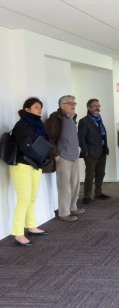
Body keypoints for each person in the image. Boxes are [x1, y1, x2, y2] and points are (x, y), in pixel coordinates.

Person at [10, 97, 52, 246]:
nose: (39, 109)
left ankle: (31, 226)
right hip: (22, 165)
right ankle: (18, 234)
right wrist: (41, 158)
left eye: (40, 107)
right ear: (27, 109)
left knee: (32, 198)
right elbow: (26, 146)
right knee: (24, 200)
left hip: (35, 165)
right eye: (36, 107)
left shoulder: (38, 124)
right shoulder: (22, 125)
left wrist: (43, 158)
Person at [44, 95, 85, 222]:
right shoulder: (55, 119)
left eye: (74, 103)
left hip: (74, 156)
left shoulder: (71, 118)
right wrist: (56, 154)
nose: (73, 105)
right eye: (70, 103)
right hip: (63, 157)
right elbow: (48, 138)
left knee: (74, 184)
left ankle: (72, 207)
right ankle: (63, 212)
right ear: (61, 105)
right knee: (64, 187)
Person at [78, 99, 110, 204]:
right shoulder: (84, 121)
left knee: (101, 173)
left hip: (102, 150)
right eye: (95, 106)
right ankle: (87, 196)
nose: (97, 107)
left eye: (98, 105)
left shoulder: (99, 119)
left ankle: (98, 193)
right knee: (90, 174)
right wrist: (85, 151)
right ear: (89, 107)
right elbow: (81, 138)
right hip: (91, 152)